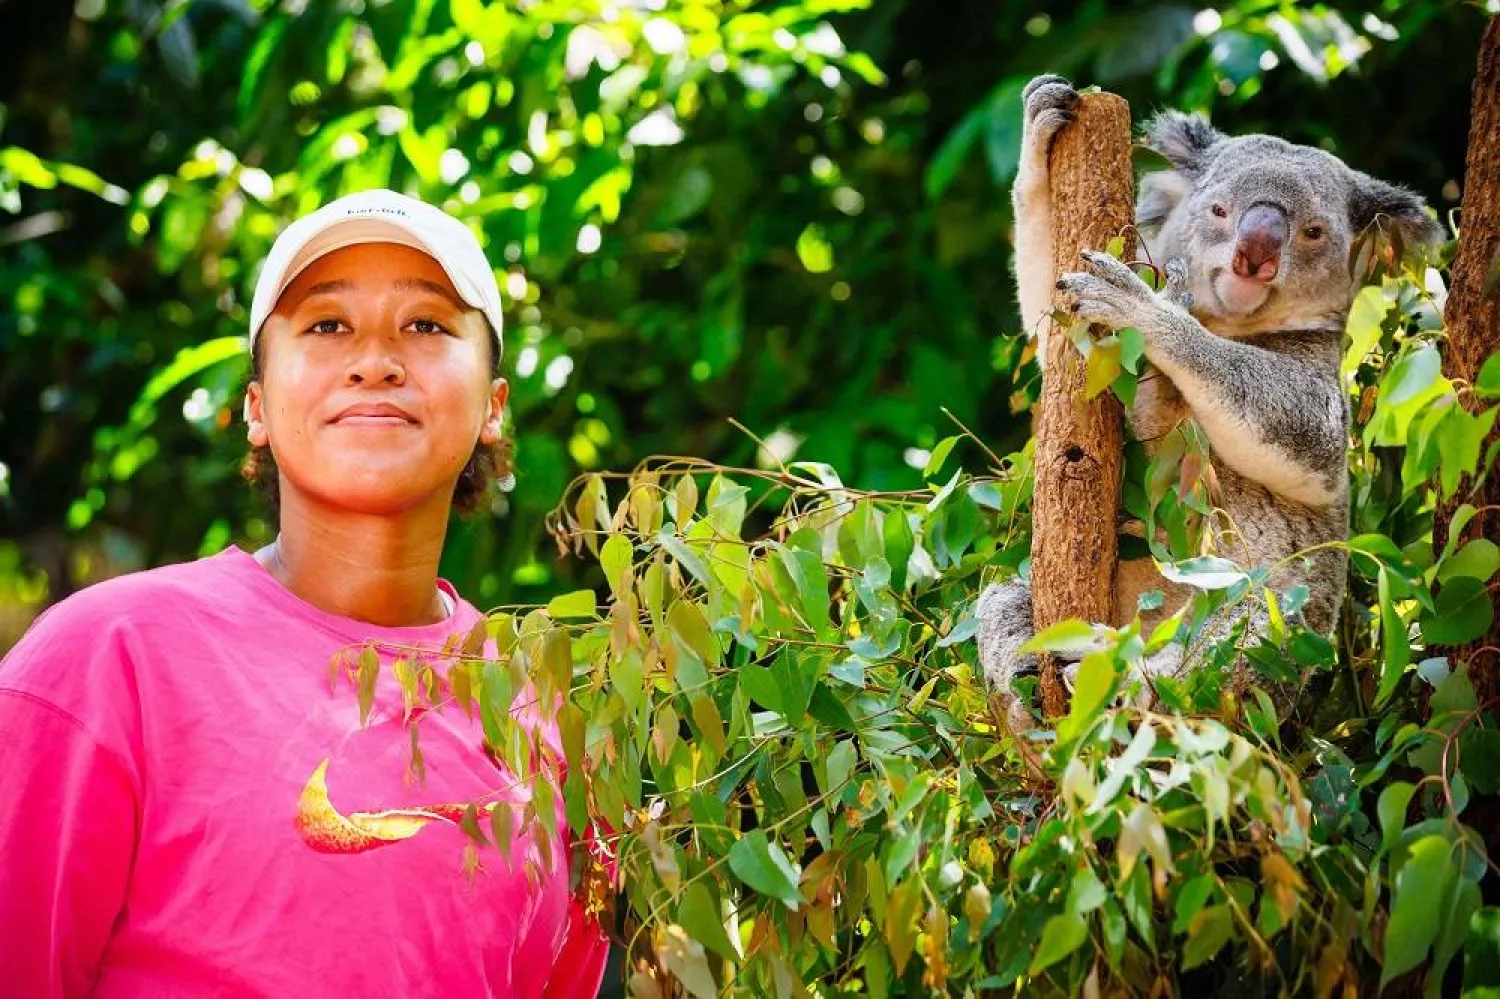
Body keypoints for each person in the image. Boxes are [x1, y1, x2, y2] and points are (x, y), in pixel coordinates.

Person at [0, 190, 609, 997]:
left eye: (426, 324)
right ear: (256, 407)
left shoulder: (547, 723)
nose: (375, 360)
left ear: (494, 407)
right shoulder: (108, 659)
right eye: (327, 325)